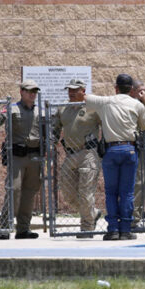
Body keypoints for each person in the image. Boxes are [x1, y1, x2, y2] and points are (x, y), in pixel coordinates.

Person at [84, 74, 145, 240]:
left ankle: (113, 230)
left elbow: (83, 96)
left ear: (115, 88)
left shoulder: (106, 101)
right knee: (127, 193)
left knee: (111, 192)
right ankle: (125, 230)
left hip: (111, 151)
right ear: (131, 89)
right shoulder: (136, 104)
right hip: (129, 150)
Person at [0, 79, 42, 240]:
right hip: (17, 157)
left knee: (29, 193)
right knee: (13, 190)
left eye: (35, 91)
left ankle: (23, 229)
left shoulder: (41, 111)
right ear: (21, 92)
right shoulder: (11, 108)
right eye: (29, 91)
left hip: (35, 157)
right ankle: (5, 227)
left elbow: (49, 132)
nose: (32, 94)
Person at [52, 79, 102, 238]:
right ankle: (92, 213)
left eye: (75, 89)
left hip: (89, 153)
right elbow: (55, 129)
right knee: (68, 193)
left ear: (83, 90)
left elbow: (106, 126)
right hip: (70, 154)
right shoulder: (63, 109)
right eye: (69, 90)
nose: (71, 92)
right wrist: (50, 144)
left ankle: (86, 228)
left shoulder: (93, 107)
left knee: (86, 193)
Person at [129, 79, 145, 230]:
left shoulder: (144, 105)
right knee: (136, 184)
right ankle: (134, 218)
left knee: (142, 184)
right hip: (132, 148)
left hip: (144, 148)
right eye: (140, 91)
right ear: (133, 91)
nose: (143, 94)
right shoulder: (131, 104)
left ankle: (138, 216)